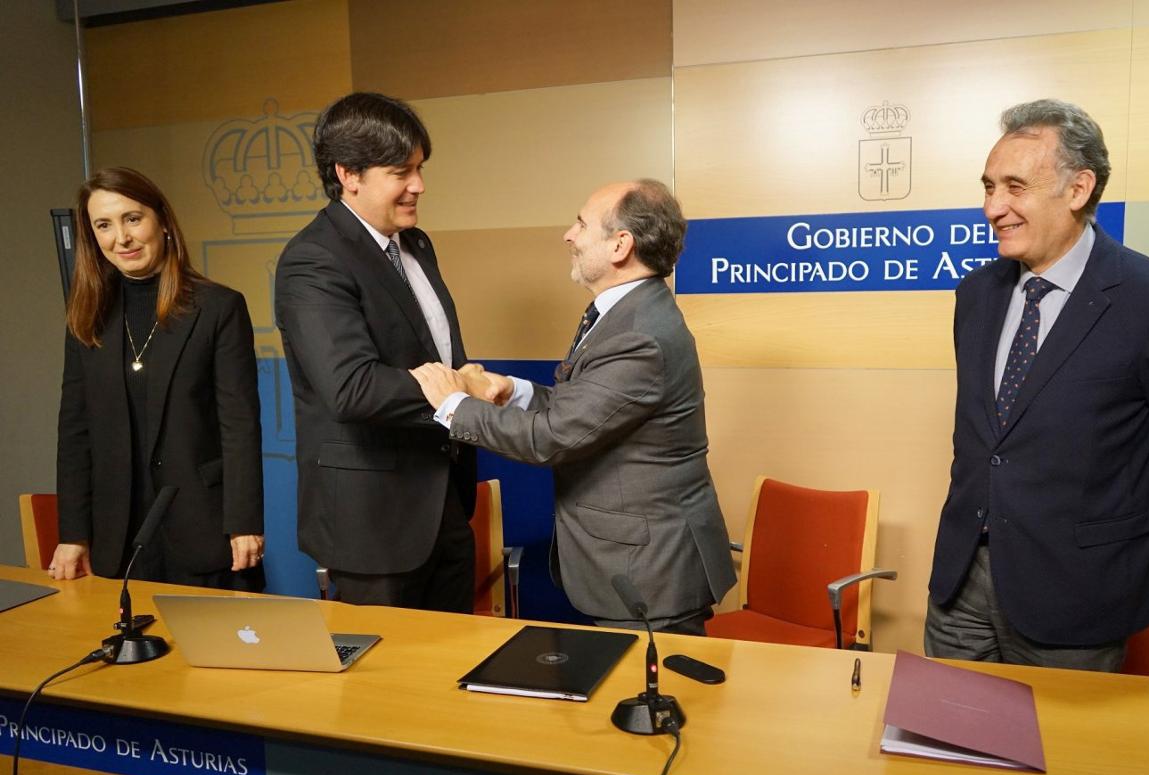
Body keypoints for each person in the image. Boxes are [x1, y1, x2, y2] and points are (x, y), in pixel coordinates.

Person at [926, 99, 1149, 670]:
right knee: (946, 749)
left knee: (1063, 757)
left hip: (1075, 592)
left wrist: (1103, 511)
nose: (994, 207)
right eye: (989, 186)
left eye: (1015, 186)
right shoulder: (977, 293)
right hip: (959, 585)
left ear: (1078, 189)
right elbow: (990, 436)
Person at [411, 180, 736, 634]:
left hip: (651, 575)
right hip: (639, 565)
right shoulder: (629, 313)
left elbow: (551, 438)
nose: (569, 234)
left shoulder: (638, 333)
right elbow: (590, 410)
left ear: (621, 244)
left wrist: (453, 405)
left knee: (651, 701)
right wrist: (517, 391)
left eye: (582, 223)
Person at [274, 92, 476, 610]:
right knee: (385, 684)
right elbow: (351, 388)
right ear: (349, 174)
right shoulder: (313, 260)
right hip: (374, 524)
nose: (419, 186)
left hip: (444, 504)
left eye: (420, 168)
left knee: (451, 672)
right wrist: (460, 388)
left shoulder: (417, 244)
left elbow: (431, 352)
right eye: (401, 172)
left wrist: (462, 378)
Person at [52, 167, 265, 588]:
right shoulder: (86, 316)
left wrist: (244, 523)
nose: (122, 238)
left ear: (162, 222)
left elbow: (239, 425)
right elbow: (74, 433)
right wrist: (73, 534)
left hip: (204, 527)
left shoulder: (218, 307)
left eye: (133, 219)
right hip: (116, 534)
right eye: (104, 225)